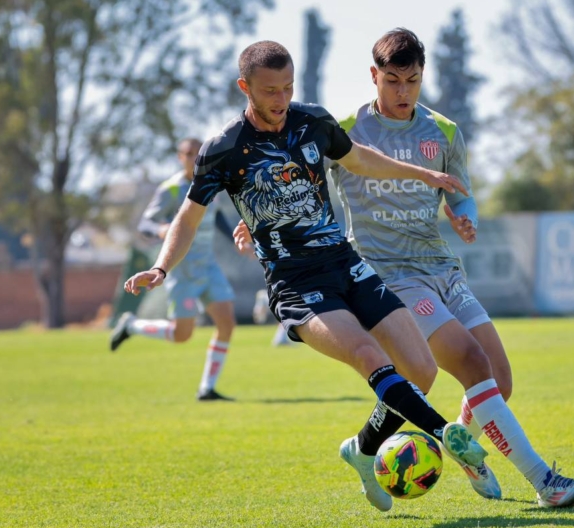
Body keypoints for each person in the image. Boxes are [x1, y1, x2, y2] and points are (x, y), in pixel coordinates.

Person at [235, 29, 574, 510]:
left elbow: (460, 190)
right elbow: (288, 179)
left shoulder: (443, 131)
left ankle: (371, 448)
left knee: (498, 382)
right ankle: (543, 481)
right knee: (470, 361)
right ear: (373, 77)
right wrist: (253, 222)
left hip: (443, 269)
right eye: (392, 81)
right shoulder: (342, 128)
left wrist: (465, 215)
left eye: (412, 81)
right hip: (387, 275)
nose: (402, 92)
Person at [123, 40, 491, 480]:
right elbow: (187, 214)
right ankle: (448, 433)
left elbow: (359, 159)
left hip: (345, 263)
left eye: (288, 87)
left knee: (421, 369)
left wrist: (424, 173)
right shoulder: (223, 148)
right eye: (270, 91)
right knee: (367, 353)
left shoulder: (313, 120)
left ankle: (361, 450)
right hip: (295, 282)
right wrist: (162, 267)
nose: (281, 100)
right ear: (246, 87)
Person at [110, 138, 238, 402]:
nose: (193, 158)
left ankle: (207, 388)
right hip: (181, 271)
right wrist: (159, 229)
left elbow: (217, 218)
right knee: (182, 335)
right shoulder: (170, 189)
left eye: (198, 153)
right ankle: (132, 325)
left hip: (208, 267)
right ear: (180, 157)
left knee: (226, 323)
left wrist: (237, 239)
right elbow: (145, 223)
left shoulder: (209, 182)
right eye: (188, 154)